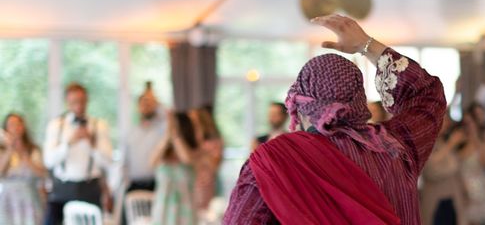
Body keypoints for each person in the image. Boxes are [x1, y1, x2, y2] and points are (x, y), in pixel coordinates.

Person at [224, 14, 447, 224]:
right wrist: (365, 44)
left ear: (299, 108)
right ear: (359, 103)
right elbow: (427, 95)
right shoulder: (397, 147)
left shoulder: (273, 164)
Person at [43, 82, 112, 225]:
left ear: (87, 101)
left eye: (82, 101)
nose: (79, 106)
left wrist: (92, 144)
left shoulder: (99, 125)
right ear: (67, 103)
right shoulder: (56, 125)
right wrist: (68, 144)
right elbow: (48, 161)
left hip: (90, 188)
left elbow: (108, 162)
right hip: (62, 189)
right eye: (74, 102)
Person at [150, 111, 199, 225]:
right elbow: (152, 162)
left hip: (185, 212)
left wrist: (175, 135)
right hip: (163, 212)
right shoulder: (163, 153)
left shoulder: (192, 151)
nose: (170, 127)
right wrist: (167, 136)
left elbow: (187, 159)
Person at [421, 113, 468, 225]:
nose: (447, 124)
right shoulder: (426, 143)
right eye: (443, 120)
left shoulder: (443, 143)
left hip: (451, 198)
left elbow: (455, 166)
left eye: (447, 121)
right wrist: (451, 144)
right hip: (436, 199)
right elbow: (431, 171)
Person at [0, 113, 47, 225]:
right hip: (8, 199)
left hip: (29, 198)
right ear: (6, 129)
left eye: (18, 124)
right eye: (11, 124)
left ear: (23, 126)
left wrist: (25, 157)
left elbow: (42, 174)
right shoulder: (2, 150)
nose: (15, 127)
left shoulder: (33, 149)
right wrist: (10, 149)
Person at [458, 104, 485, 225]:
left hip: (479, 189)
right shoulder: (459, 139)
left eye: (471, 122)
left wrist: (475, 138)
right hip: (459, 188)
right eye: (466, 123)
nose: (469, 126)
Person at [124, 87, 167, 193]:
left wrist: (156, 102)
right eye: (144, 102)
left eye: (150, 103)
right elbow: (125, 160)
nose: (147, 106)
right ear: (138, 106)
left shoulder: (162, 130)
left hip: (156, 184)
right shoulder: (131, 132)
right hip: (134, 184)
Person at [189, 107, 224, 212]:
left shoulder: (215, 141)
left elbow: (215, 165)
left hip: (207, 182)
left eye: (194, 121)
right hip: (192, 181)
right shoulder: (190, 142)